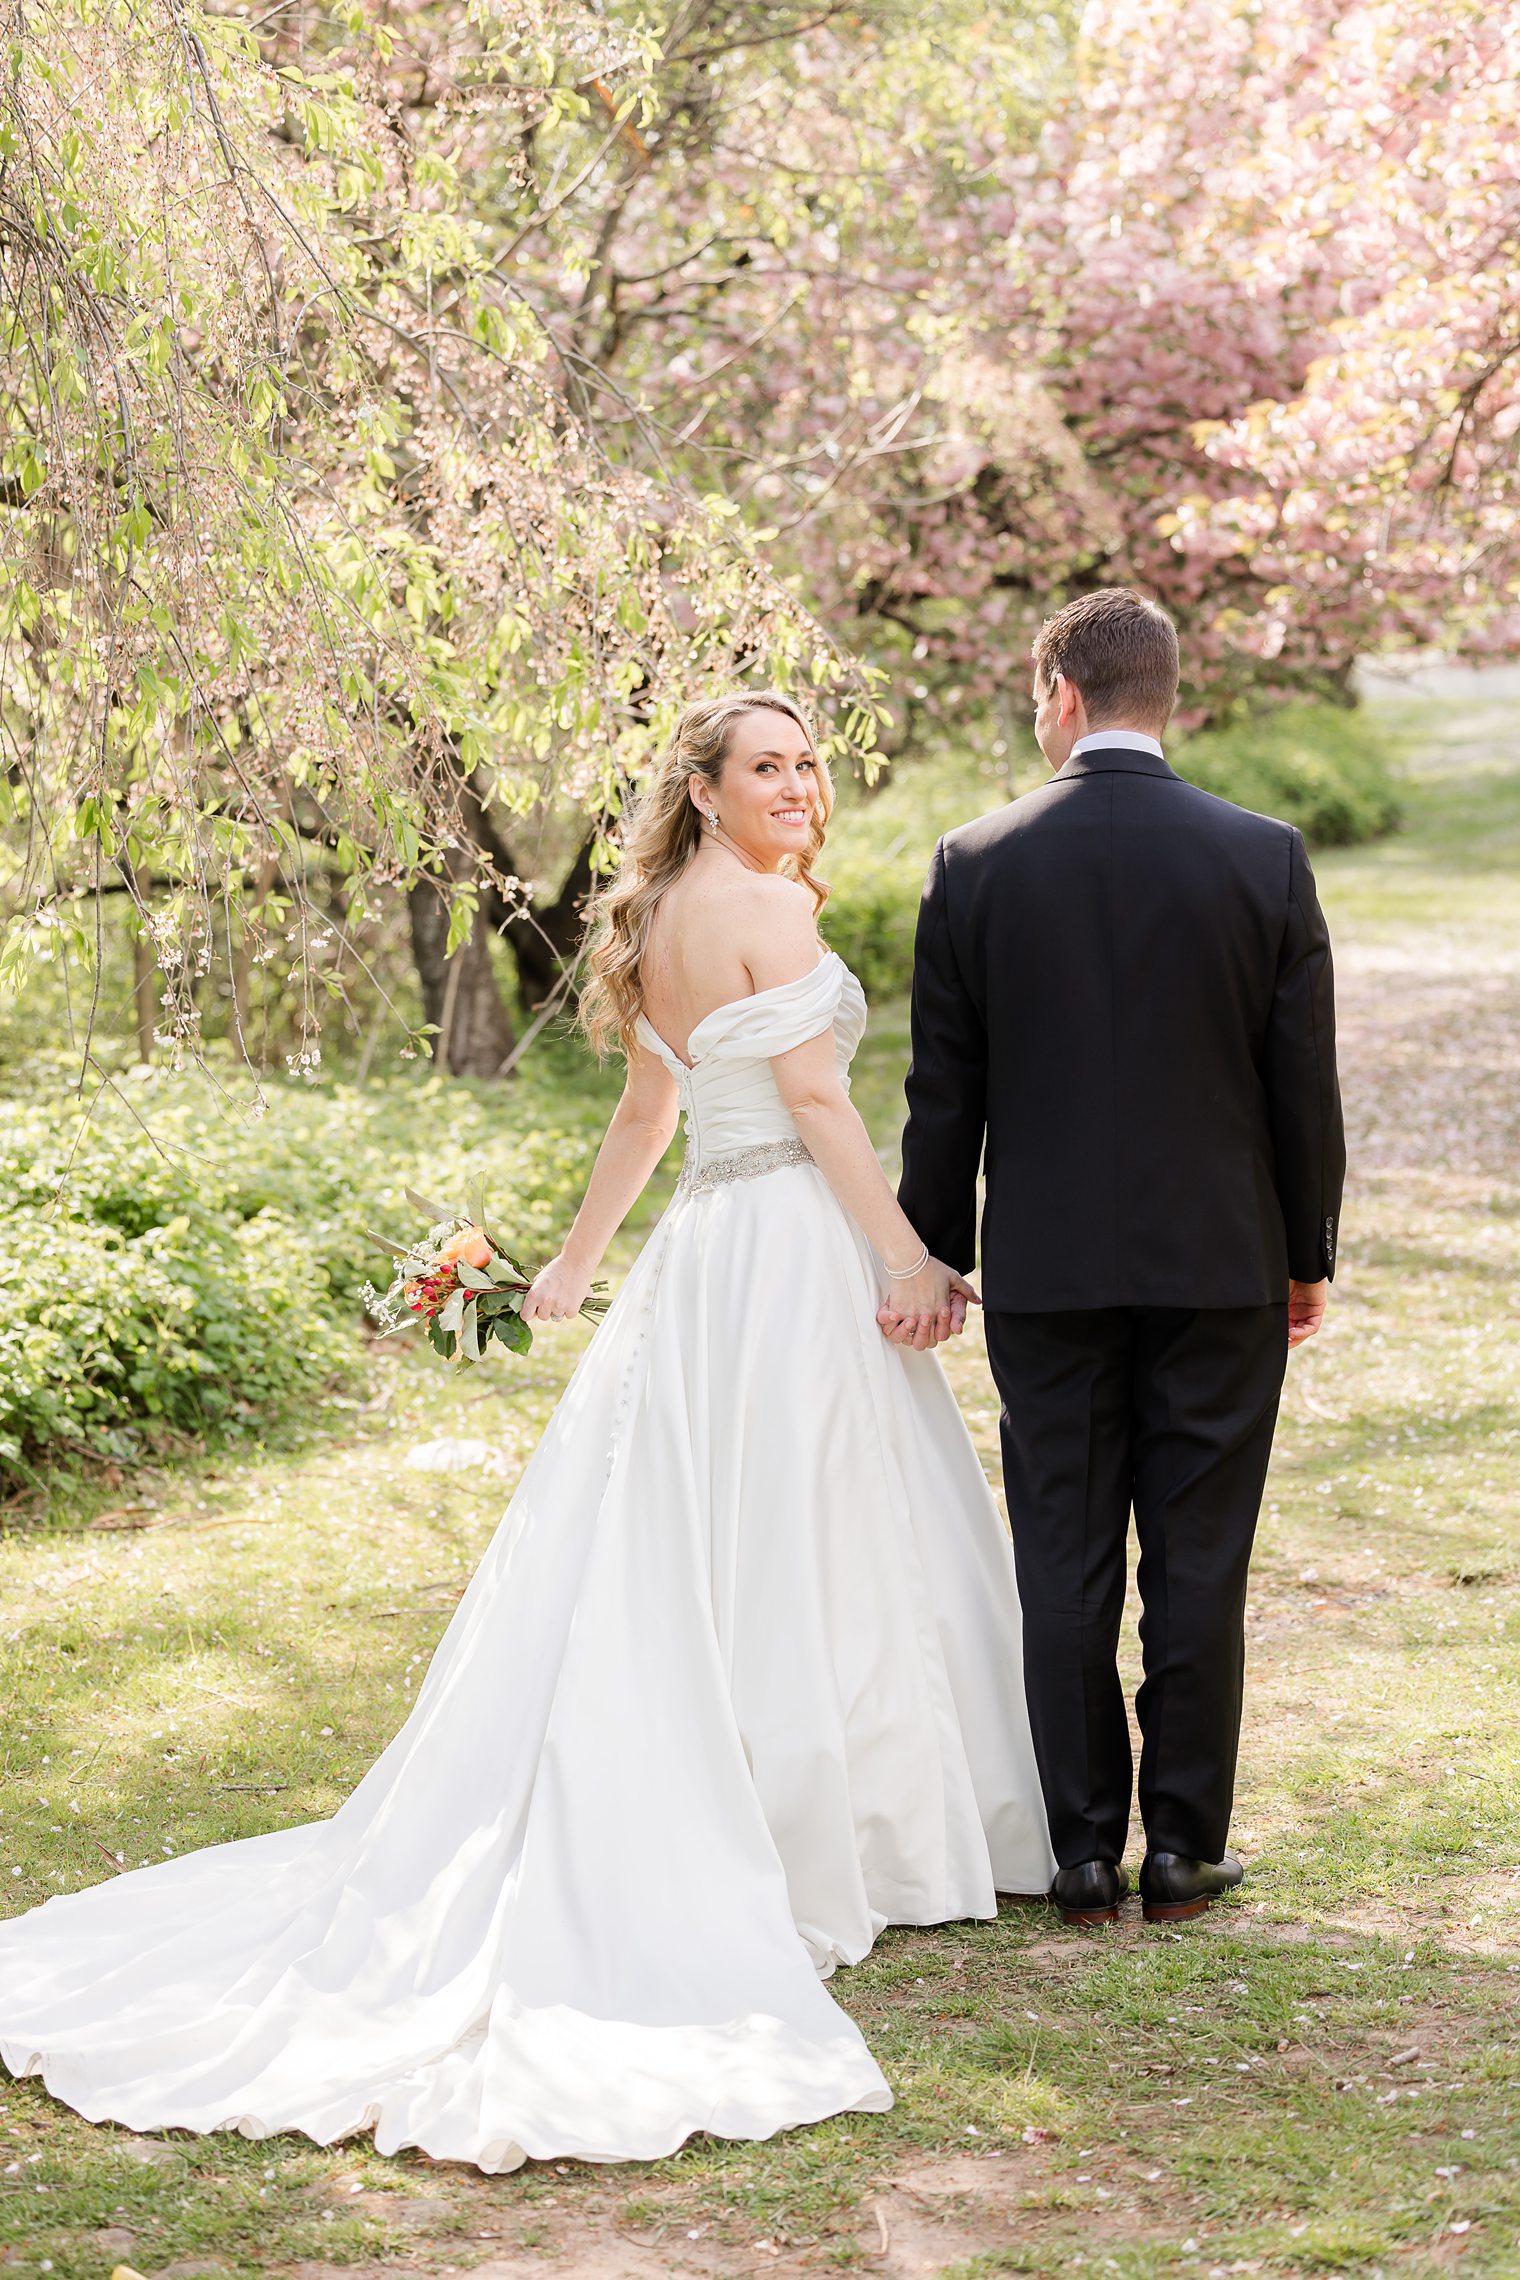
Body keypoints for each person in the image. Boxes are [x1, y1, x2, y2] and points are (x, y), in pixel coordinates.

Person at [0, 691, 1052, 2173]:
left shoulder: (670, 909)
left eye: (808, 764)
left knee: (722, 1522)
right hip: (790, 1249)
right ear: (702, 786)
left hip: (705, 1251)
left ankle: (811, 1792)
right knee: (811, 1513)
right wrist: (905, 1258)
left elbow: (647, 1112)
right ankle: (843, 1826)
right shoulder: (758, 903)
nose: (800, 786)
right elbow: (816, 1102)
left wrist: (570, 1269)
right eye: (769, 767)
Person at [888, 589, 1345, 1927]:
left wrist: (937, 1255)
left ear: (1064, 696)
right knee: (1201, 1557)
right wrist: (1302, 1251)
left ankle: (1083, 1851)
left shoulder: (973, 862)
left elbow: (943, 1096)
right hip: (1221, 1267)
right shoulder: (1261, 856)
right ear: (1167, 697)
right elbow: (1300, 1092)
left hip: (1050, 1273)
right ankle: (1187, 1850)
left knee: (1064, 1554)